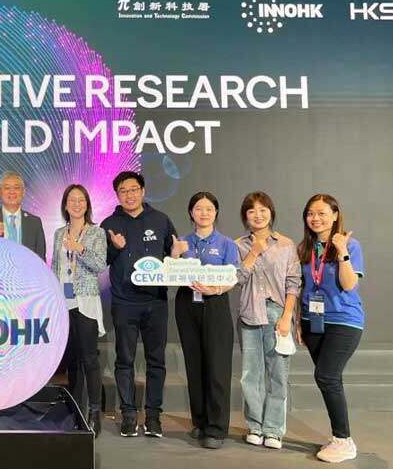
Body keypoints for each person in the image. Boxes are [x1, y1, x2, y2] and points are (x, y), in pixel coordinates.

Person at [100, 170, 184, 439]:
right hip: (124, 302)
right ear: (117, 195)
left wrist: (176, 256)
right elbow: (101, 261)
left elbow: (173, 257)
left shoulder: (160, 220)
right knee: (124, 360)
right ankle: (128, 415)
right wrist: (114, 248)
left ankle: (153, 416)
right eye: (123, 191)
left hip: (155, 301)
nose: (129, 195)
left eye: (133, 189)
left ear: (143, 191)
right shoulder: (109, 223)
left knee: (156, 360)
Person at [298, 194, 365, 463]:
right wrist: (298, 322)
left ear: (335, 215)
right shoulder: (305, 248)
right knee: (329, 379)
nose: (315, 218)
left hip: (344, 320)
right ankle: (340, 438)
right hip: (312, 320)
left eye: (322, 213)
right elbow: (301, 286)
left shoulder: (350, 245)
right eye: (310, 213)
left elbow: (349, 284)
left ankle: (344, 440)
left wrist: (342, 252)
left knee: (326, 376)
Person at [234, 191, 301, 451]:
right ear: (245, 217)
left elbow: (293, 283)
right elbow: (236, 279)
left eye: (263, 209)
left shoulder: (286, 244)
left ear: (271, 212)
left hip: (277, 313)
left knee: (278, 374)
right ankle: (255, 426)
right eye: (252, 211)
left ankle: (273, 429)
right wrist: (253, 253)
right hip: (249, 313)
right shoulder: (238, 245)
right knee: (250, 374)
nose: (258, 215)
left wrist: (287, 317)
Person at [173, 191, 240, 450]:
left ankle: (216, 428)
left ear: (216, 213)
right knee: (194, 364)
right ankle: (199, 421)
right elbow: (170, 272)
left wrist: (216, 289)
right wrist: (176, 254)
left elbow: (233, 276)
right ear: (191, 212)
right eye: (199, 208)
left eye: (209, 209)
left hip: (215, 304)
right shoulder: (182, 241)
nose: (204, 213)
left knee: (217, 365)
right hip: (187, 303)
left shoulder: (226, 244)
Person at [51, 185, 107, 437]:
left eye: (81, 200)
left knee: (89, 359)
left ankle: (94, 413)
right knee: (71, 360)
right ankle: (75, 409)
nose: (76, 204)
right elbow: (56, 266)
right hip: (64, 302)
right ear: (65, 205)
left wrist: (79, 248)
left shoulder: (96, 232)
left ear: (87, 204)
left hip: (85, 301)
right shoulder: (58, 233)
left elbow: (99, 264)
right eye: (72, 200)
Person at [0, 171, 46, 260]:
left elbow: (41, 260)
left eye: (16, 188)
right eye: (7, 188)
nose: (12, 192)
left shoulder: (34, 222)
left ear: (23, 192)